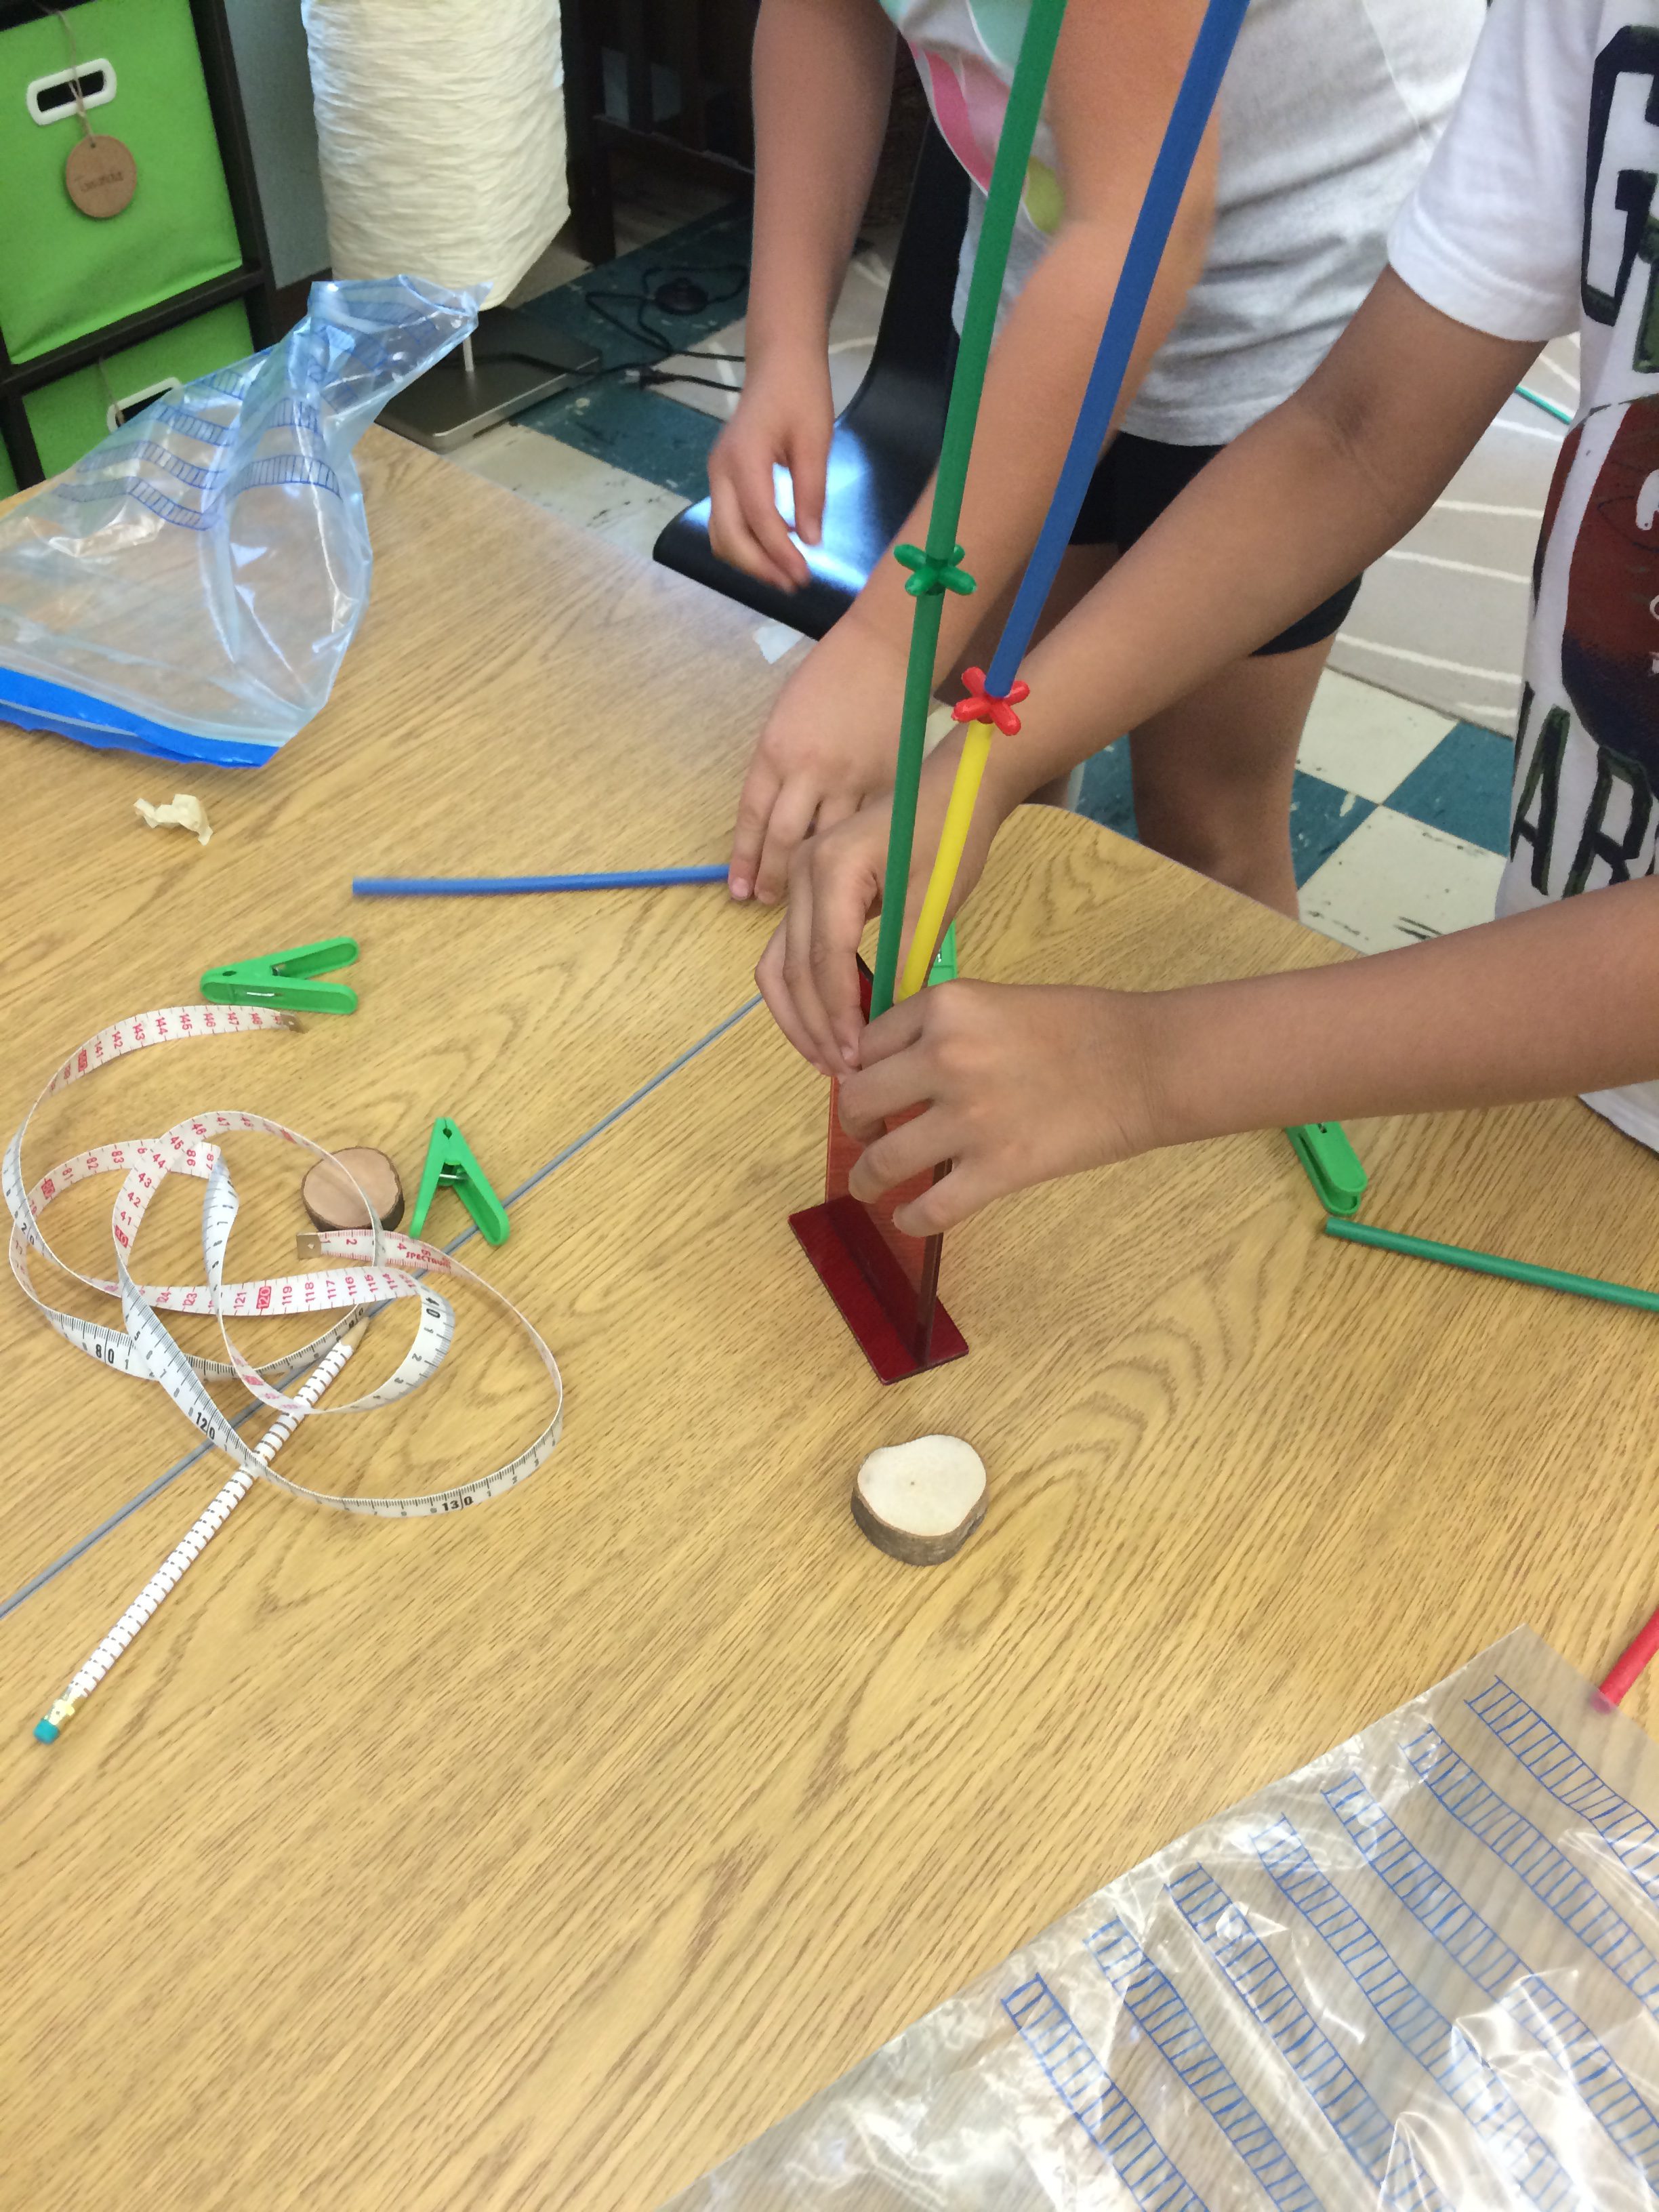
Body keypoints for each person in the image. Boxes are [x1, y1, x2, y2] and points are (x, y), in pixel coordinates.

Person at [756, 0, 1659, 1238]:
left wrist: (1142, 1065)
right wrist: (985, 766)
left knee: (1216, 819)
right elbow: (1351, 438)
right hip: (1568, 1024)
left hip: (1277, 320)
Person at [715, 0, 1484, 918]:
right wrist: (783, 341)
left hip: (1288, 280)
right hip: (1054, 236)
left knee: (1207, 828)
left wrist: (885, 646)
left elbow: (1138, 223)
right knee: (980, 747)